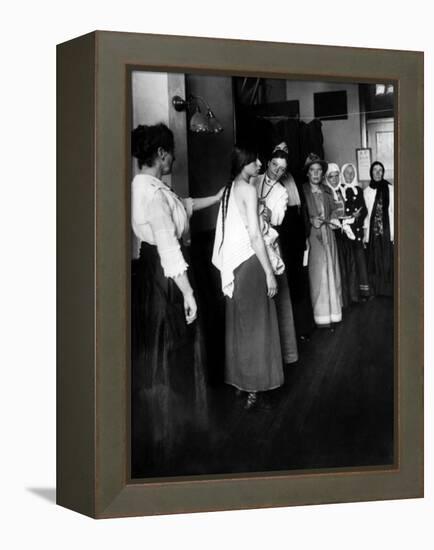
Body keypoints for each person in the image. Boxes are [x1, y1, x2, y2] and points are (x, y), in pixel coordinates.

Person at [130, 123, 223, 475]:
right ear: (162, 154)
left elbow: (181, 207)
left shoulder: (149, 187)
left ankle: (176, 434)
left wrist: (215, 199)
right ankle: (174, 440)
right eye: (171, 152)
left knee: (169, 352)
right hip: (166, 278)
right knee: (174, 352)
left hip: (160, 274)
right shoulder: (152, 194)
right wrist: (188, 293)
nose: (174, 158)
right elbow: (169, 249)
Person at [212, 146, 284, 409]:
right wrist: (269, 273)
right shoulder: (249, 189)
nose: (260, 163)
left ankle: (241, 381)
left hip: (234, 264)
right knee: (256, 324)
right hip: (251, 262)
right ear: (245, 163)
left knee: (240, 324)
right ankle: (255, 384)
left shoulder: (231, 187)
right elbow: (255, 235)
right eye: (256, 160)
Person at [252, 143, 298, 365]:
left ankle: (279, 353)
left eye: (282, 170)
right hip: (250, 243)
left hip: (270, 243)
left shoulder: (282, 191)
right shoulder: (254, 180)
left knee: (275, 295)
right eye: (275, 166)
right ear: (268, 162)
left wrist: (266, 211)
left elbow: (278, 220)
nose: (277, 172)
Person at [303, 153, 342, 327]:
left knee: (331, 271)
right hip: (313, 238)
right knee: (318, 274)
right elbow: (298, 216)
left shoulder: (327, 191)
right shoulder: (302, 191)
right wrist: (310, 221)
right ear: (307, 173)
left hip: (329, 236)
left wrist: (333, 219)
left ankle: (333, 313)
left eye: (319, 170)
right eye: (312, 170)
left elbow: (334, 210)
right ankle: (320, 317)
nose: (316, 174)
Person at [324, 163, 359, 306]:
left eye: (336, 175)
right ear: (327, 178)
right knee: (340, 267)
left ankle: (353, 296)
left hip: (346, 233)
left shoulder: (342, 190)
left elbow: (347, 210)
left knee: (350, 264)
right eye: (330, 176)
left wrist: (351, 217)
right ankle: (343, 299)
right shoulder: (326, 193)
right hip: (335, 234)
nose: (334, 179)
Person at [340, 162, 370, 300]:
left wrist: (358, 216)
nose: (350, 175)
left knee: (360, 261)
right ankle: (351, 294)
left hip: (356, 231)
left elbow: (364, 209)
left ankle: (363, 292)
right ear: (343, 174)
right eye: (347, 173)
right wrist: (352, 216)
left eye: (352, 173)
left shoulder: (359, 189)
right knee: (348, 263)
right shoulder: (339, 189)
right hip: (345, 234)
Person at [363, 161, 394, 297]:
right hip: (373, 234)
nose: (377, 172)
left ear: (383, 172)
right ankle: (376, 291)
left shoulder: (391, 189)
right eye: (375, 170)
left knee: (387, 261)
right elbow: (365, 215)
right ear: (371, 172)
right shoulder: (366, 192)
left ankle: (388, 291)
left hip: (387, 232)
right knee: (374, 263)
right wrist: (365, 235)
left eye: (380, 170)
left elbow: (395, 211)